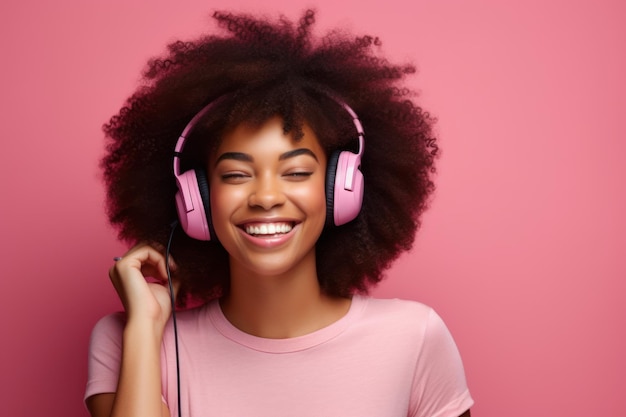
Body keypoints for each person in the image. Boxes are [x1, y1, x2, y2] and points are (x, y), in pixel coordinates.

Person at [85, 9, 473, 417]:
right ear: (194, 197)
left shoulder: (413, 338)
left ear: (342, 188)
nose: (266, 196)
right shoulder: (128, 339)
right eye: (236, 174)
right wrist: (146, 327)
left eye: (296, 172)